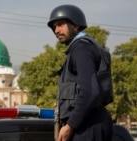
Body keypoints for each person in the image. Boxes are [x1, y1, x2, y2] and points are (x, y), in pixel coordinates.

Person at [47, 4, 113, 141]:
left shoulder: (81, 48)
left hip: (88, 125)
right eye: (54, 27)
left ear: (75, 25)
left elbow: (90, 91)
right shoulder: (81, 47)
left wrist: (70, 125)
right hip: (88, 123)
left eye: (60, 24)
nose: (56, 30)